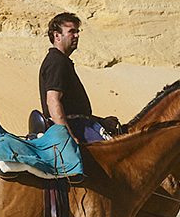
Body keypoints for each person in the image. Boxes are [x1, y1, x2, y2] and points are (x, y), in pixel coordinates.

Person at [38, 12, 120, 144]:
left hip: (82, 124)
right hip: (75, 128)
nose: (76, 35)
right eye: (71, 32)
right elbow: (53, 101)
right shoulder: (57, 61)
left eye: (77, 32)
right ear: (57, 35)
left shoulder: (61, 60)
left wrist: (99, 121)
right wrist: (68, 136)